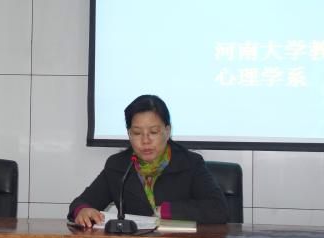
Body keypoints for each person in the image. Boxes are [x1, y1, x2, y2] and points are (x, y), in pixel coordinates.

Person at [68, 94, 227, 227]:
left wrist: (166, 211)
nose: (145, 141)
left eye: (154, 132)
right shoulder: (118, 166)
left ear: (167, 131)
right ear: (129, 134)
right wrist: (82, 210)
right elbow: (81, 202)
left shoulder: (190, 163)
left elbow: (218, 209)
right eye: (137, 133)